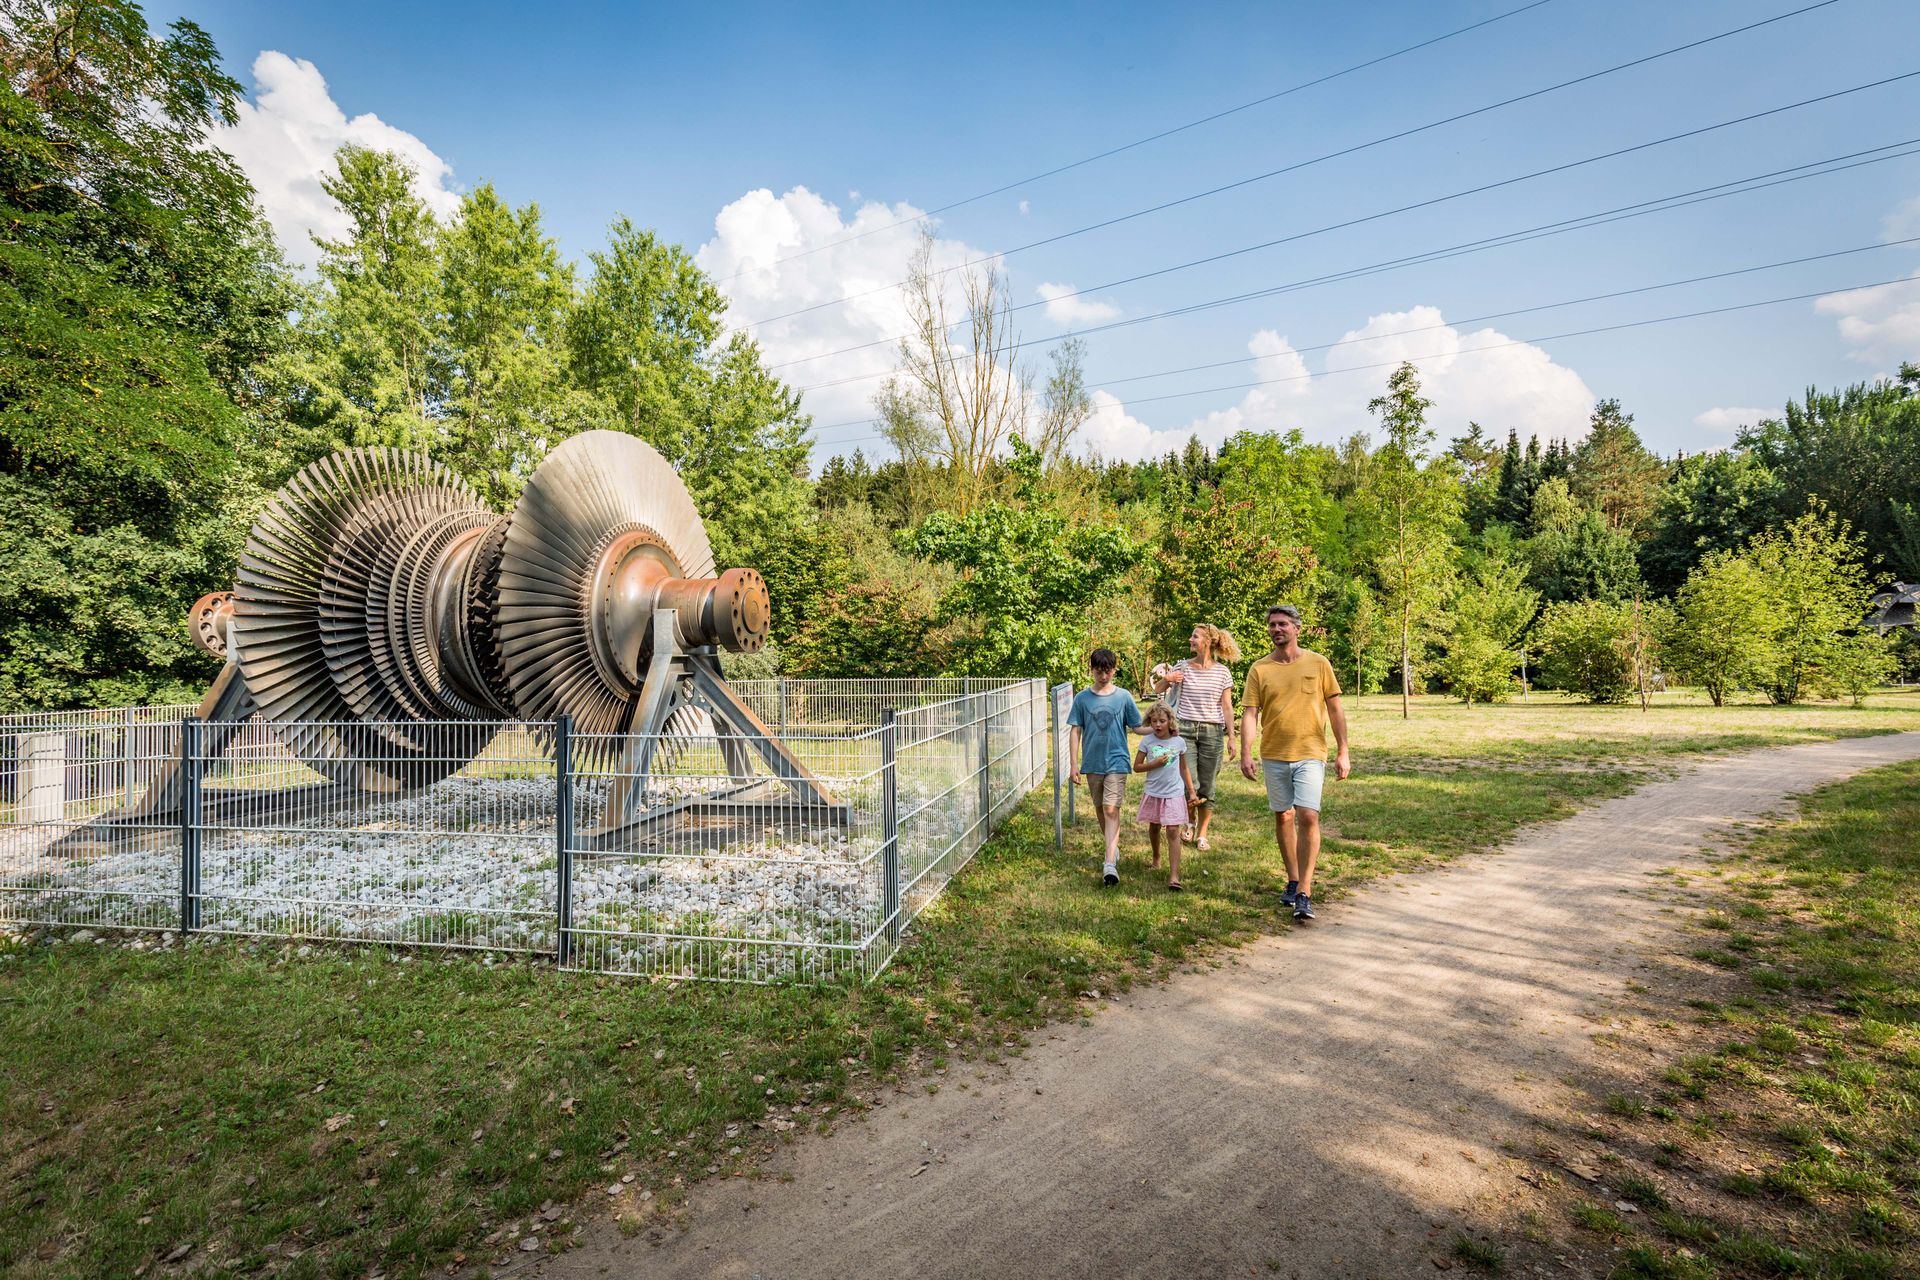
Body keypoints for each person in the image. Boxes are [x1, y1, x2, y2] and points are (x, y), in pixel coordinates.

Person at [1238, 604, 1350, 921]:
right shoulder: (1260, 669)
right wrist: (1246, 752)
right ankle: (1292, 879)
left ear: (1297, 628)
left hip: (1311, 752)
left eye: (1283, 624)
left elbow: (1336, 709)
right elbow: (1250, 714)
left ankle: (1305, 891)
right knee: (1284, 817)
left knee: (1309, 816)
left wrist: (1343, 750)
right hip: (1273, 753)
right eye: (1272, 625)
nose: (1277, 629)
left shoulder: (1318, 663)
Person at [1150, 623, 1240, 851]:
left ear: (1207, 642)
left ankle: (1202, 833)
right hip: (1184, 730)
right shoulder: (1183, 667)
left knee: (1207, 785)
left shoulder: (1222, 672)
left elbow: (1227, 707)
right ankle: (1189, 822)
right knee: (1187, 783)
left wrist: (1231, 737)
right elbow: (1158, 690)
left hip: (1212, 732)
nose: (1190, 640)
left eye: (1195, 636)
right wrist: (1168, 678)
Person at [1067, 648, 1143, 886]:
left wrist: (1162, 730)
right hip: (1093, 763)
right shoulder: (1082, 699)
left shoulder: (1124, 697)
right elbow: (1075, 730)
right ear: (1092, 670)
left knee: (1111, 809)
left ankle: (1109, 863)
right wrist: (1073, 764)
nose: (1103, 676)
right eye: (1099, 671)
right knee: (1101, 809)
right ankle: (1112, 847)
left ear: (1114, 670)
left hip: (1118, 761)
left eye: (1108, 671)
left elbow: (1137, 726)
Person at [1133, 702, 1198, 890]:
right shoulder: (1147, 741)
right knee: (1154, 827)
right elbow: (1136, 767)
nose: (1158, 725)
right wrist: (1153, 764)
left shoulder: (1179, 742)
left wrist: (1191, 791)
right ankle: (1156, 857)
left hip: (1174, 793)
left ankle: (1174, 877)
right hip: (1154, 792)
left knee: (1172, 830)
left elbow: (1184, 768)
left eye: (1162, 721)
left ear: (1170, 721)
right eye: (1154, 721)